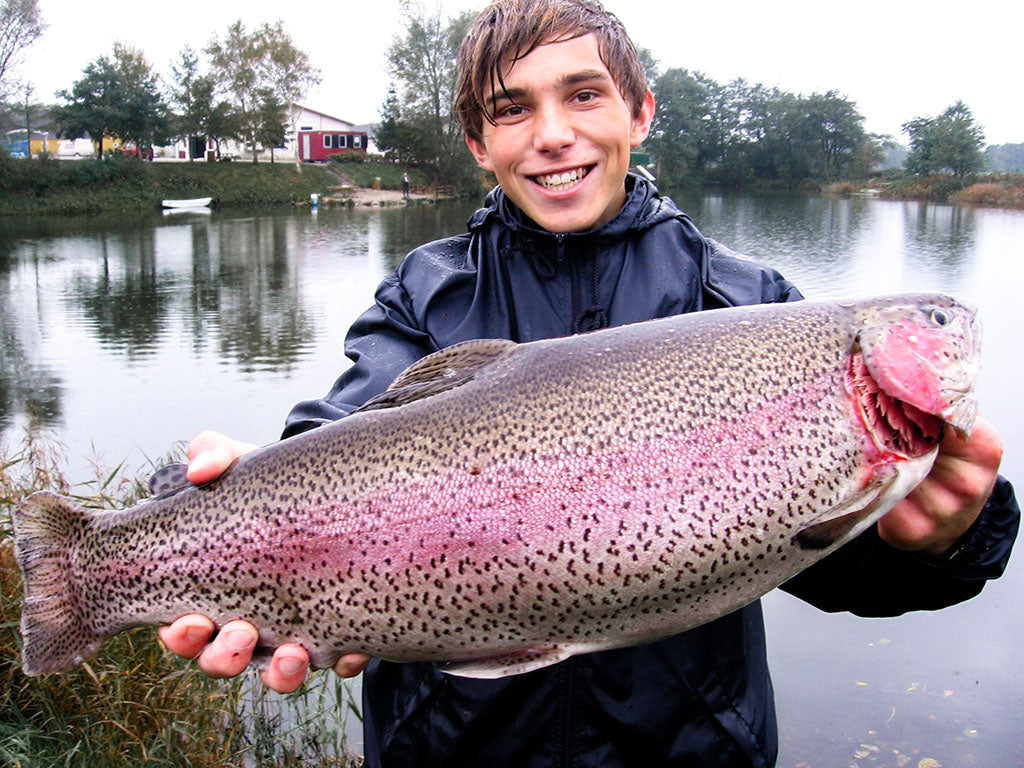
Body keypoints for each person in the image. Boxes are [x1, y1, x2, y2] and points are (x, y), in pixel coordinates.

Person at [160, 0, 1019, 765]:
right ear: (477, 143)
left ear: (640, 114)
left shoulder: (752, 305)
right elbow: (341, 434)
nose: (551, 133)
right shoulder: (426, 293)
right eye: (511, 109)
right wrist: (242, 488)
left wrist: (940, 542)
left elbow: (825, 567)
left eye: (583, 94)